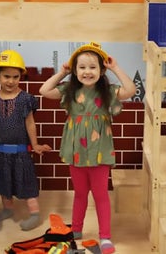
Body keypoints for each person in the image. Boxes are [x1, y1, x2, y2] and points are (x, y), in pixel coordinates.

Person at [39, 42, 136, 254]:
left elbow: (131, 90)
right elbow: (44, 90)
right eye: (82, 67)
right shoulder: (69, 90)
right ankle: (76, 230)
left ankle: (105, 236)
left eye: (93, 67)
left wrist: (115, 68)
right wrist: (62, 72)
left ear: (101, 71)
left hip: (100, 150)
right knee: (80, 193)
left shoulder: (107, 91)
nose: (87, 72)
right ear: (75, 70)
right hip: (77, 151)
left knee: (101, 195)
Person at [0, 50, 51, 231]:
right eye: (6, 76)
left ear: (21, 77)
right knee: (3, 182)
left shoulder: (25, 99)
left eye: (15, 77)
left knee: (26, 182)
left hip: (20, 153)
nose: (11, 81)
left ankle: (34, 214)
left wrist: (35, 144)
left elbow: (30, 123)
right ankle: (7, 209)